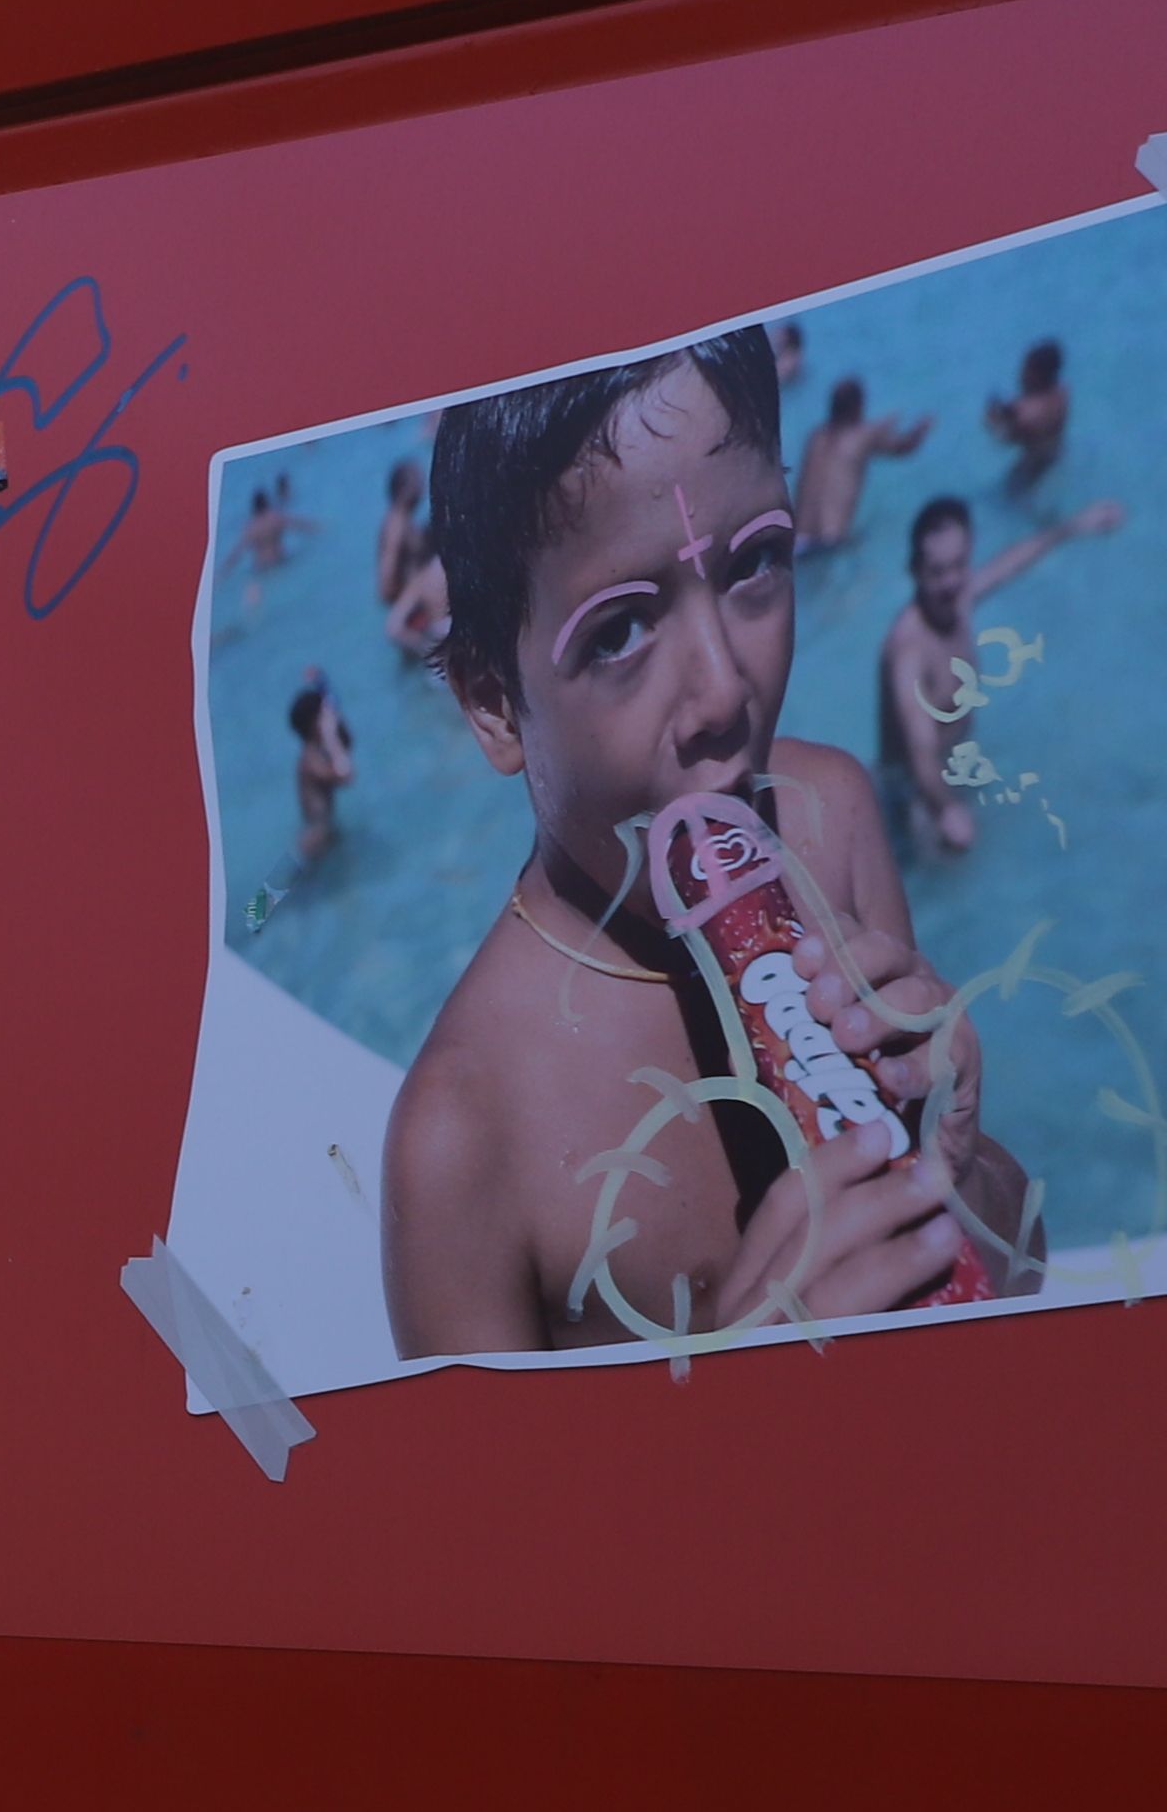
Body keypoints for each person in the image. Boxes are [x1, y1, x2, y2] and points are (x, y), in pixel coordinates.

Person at [379, 331, 1028, 1360]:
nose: (723, 689)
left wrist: (961, 1162)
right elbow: (481, 1522)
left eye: (755, 563)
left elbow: (1023, 1261)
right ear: (494, 701)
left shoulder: (832, 816)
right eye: (619, 632)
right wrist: (730, 1403)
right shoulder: (466, 1139)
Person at [874, 494, 1126, 859]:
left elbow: (1009, 563)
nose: (950, 582)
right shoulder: (909, 650)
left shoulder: (957, 597)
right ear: (914, 570)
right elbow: (921, 754)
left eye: (959, 565)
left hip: (954, 770)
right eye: (937, 571)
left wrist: (1071, 527)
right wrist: (946, 809)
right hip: (915, 795)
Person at [795, 375, 934, 557]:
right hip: (831, 543)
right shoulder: (863, 436)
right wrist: (921, 429)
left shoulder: (815, 437)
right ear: (858, 407)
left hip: (795, 540)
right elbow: (904, 447)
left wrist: (884, 424)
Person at [375, 453, 454, 662]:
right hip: (415, 616)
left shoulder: (403, 522)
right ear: (404, 489)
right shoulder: (397, 526)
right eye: (417, 481)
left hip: (418, 611)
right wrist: (415, 594)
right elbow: (386, 583)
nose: (422, 487)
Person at [291, 671, 361, 872]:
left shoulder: (318, 752)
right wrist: (330, 735)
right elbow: (347, 776)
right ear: (315, 723)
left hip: (325, 838)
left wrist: (325, 689)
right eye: (325, 714)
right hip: (313, 845)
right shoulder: (311, 760)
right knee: (263, 903)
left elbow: (347, 744)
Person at [983, 340, 1074, 492]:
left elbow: (1004, 439)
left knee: (1004, 498)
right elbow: (1033, 407)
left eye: (1025, 369)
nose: (1020, 373)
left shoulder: (1026, 416)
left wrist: (991, 421)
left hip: (1033, 465)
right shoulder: (1063, 393)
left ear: (1036, 375)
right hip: (1056, 453)